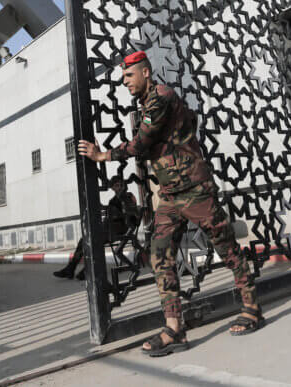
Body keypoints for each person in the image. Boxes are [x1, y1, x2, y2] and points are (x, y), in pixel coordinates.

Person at [78, 50, 264, 357]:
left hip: (194, 187)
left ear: (145, 72)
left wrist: (103, 155)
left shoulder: (161, 97)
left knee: (225, 246)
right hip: (170, 195)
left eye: (129, 75)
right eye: (123, 77)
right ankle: (174, 327)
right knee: (160, 255)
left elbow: (141, 143)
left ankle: (252, 307)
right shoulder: (148, 102)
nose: (125, 82)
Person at [54, 175, 139, 280]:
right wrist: (103, 209)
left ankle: (88, 270)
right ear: (112, 188)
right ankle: (70, 268)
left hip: (123, 229)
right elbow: (110, 215)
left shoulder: (129, 196)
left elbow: (129, 213)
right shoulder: (112, 200)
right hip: (110, 229)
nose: (118, 187)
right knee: (84, 240)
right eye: (115, 186)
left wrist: (111, 212)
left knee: (95, 241)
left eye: (119, 185)